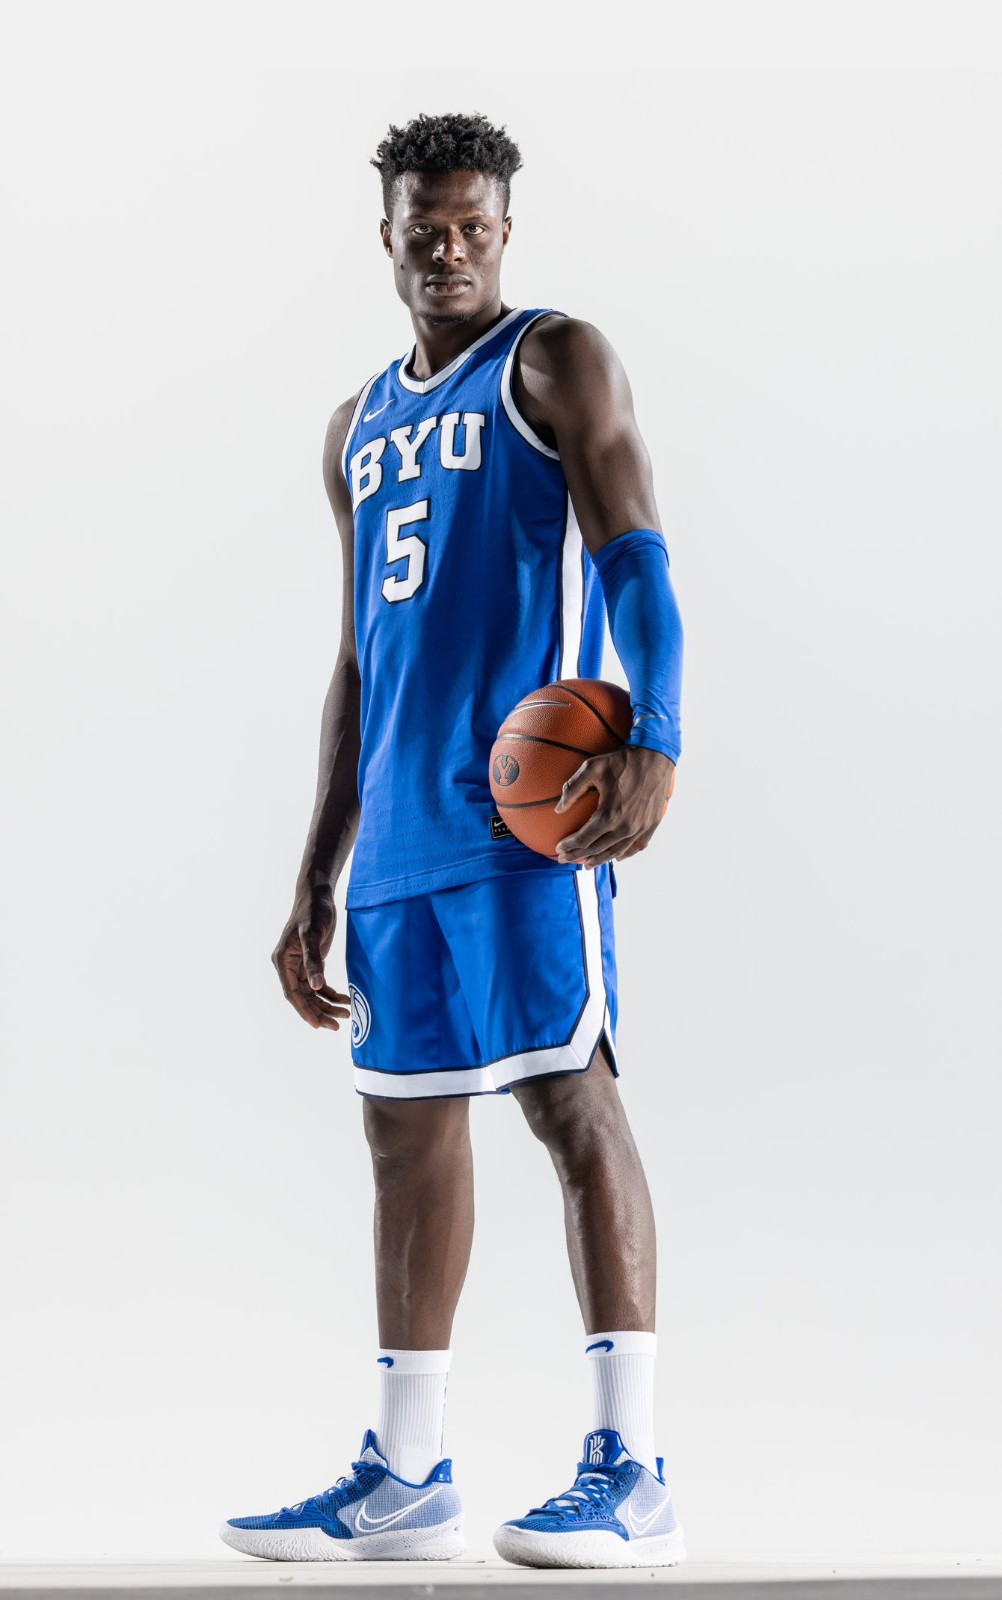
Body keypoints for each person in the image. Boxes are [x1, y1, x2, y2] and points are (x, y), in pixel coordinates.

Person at [220, 111, 685, 1571]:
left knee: (570, 1100)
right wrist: (316, 871)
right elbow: (360, 658)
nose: (449, 248)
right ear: (386, 234)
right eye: (425, 225)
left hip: (524, 823)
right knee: (402, 1132)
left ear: (505, 230)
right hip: (398, 841)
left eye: (474, 225)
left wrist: (658, 733)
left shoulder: (554, 360)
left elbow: (636, 560)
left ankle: (633, 1468)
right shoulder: (354, 426)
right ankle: (407, 1475)